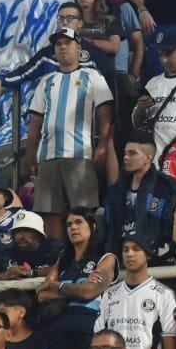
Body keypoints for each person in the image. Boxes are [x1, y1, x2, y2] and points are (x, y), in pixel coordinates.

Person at [24, 27, 114, 240]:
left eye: (67, 43)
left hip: (79, 153)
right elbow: (35, 120)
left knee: (83, 209)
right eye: (58, 44)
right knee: (48, 210)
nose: (63, 47)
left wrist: (102, 144)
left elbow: (106, 112)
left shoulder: (92, 75)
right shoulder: (47, 81)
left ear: (78, 47)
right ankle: (57, 255)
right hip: (47, 155)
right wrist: (30, 151)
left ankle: (86, 254)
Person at [37, 207, 116, 349]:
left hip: (87, 336)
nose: (73, 227)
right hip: (57, 336)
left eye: (79, 222)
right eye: (69, 224)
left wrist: (59, 287)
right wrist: (77, 289)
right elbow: (42, 294)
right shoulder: (63, 261)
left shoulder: (105, 258)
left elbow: (89, 291)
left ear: (93, 226)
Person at [94, 235, 176, 349]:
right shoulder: (109, 294)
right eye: (125, 250)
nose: (129, 254)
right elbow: (98, 339)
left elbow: (169, 343)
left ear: (148, 255)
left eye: (136, 249)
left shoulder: (164, 294)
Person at [102, 132, 176, 265]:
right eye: (125, 153)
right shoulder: (117, 189)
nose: (126, 158)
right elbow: (110, 229)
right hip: (120, 259)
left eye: (132, 153)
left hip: (157, 260)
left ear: (148, 158)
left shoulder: (167, 188)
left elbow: (173, 227)